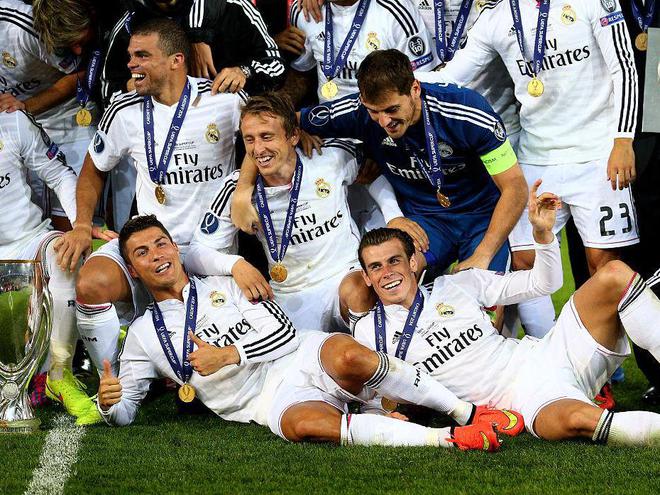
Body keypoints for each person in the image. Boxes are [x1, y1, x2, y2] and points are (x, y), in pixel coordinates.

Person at [98, 213, 525, 451]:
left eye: (161, 243)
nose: (157, 255)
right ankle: (447, 438)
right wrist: (109, 402)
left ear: (176, 247)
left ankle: (465, 412)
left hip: (300, 353)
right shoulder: (143, 335)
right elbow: (124, 411)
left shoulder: (228, 282)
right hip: (264, 400)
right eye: (142, 252)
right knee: (305, 425)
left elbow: (284, 333)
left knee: (350, 354)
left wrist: (229, 355)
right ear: (133, 270)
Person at [353, 181, 660, 445]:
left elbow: (544, 283)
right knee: (580, 418)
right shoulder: (370, 330)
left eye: (394, 261)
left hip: (552, 353)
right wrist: (382, 413)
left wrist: (543, 236)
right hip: (524, 399)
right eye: (375, 267)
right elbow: (371, 395)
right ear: (366, 277)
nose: (387, 273)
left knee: (614, 274)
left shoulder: (459, 284)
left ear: (412, 262)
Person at [432, 0, 640, 337]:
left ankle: (599, 362)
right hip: (536, 154)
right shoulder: (496, 16)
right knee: (526, 262)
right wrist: (394, 82)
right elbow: (450, 77)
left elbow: (624, 69)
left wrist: (623, 139)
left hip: (597, 154)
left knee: (603, 265)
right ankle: (547, 352)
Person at [54, 18, 245, 377]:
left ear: (176, 60)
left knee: (206, 366)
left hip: (209, 251)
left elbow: (268, 134)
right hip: (147, 246)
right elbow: (93, 169)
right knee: (91, 282)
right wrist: (81, 224)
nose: (131, 65)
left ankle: (148, 345)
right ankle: (114, 379)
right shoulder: (123, 109)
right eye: (130, 56)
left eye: (142, 56)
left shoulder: (224, 99)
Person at [291, 49, 528, 276]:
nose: (384, 121)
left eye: (392, 109)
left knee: (483, 287)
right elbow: (283, 121)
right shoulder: (357, 111)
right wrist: (297, 133)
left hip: (481, 217)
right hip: (425, 221)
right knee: (396, 274)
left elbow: (515, 186)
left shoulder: (466, 112)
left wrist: (484, 253)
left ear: (415, 89)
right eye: (374, 111)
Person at [187, 93, 407, 332]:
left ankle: (373, 345)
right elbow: (195, 252)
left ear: (293, 136)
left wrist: (393, 216)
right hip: (289, 294)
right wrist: (235, 265)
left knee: (359, 291)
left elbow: (374, 169)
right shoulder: (236, 189)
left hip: (343, 274)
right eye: (249, 139)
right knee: (286, 346)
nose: (258, 149)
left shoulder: (328, 157)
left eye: (267, 136)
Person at [0, 110, 100, 425]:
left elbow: (58, 174)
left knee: (63, 253)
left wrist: (80, 226)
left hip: (26, 240)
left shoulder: (13, 123)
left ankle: (58, 373)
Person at [0, 0, 101, 231]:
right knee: (32, 218)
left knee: (72, 220)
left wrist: (26, 106)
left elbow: (81, 71)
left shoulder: (24, 27)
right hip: (20, 128)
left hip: (68, 119)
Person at [282, 0, 437, 106]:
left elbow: (421, 83)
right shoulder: (303, 11)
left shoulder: (396, 11)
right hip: (329, 125)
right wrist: (285, 117)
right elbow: (300, 74)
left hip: (382, 123)